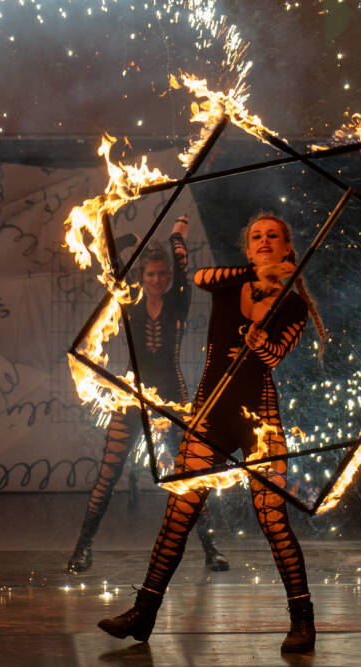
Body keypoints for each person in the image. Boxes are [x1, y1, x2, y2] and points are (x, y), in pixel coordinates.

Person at [97, 214, 326, 654]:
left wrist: (260, 343)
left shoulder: (293, 306)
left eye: (272, 236)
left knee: (273, 519)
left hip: (258, 416)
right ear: (248, 248)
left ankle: (303, 621)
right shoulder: (227, 281)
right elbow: (199, 275)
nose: (263, 241)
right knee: (178, 515)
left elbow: (276, 357)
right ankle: (143, 612)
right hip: (210, 413)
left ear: (287, 248)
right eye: (256, 235)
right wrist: (254, 274)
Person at [67, 217, 229, 574]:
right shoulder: (130, 300)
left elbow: (184, 268)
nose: (157, 280)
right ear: (143, 276)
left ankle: (211, 548)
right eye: (151, 274)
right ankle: (83, 547)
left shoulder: (179, 301)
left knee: (190, 475)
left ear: (169, 278)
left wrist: (176, 238)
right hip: (132, 396)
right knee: (108, 474)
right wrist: (130, 237)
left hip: (172, 395)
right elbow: (110, 259)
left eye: (162, 275)